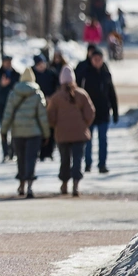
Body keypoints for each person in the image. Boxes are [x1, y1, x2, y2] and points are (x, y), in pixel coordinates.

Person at [1, 67, 50, 199]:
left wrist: (4, 131)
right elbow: (42, 116)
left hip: (17, 132)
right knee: (31, 159)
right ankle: (29, 186)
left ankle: (21, 184)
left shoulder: (13, 93)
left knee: (21, 158)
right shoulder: (37, 94)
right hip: (34, 133)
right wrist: (46, 134)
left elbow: (8, 114)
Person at [47, 66, 96, 197]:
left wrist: (55, 126)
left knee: (65, 159)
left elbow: (50, 116)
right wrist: (84, 124)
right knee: (78, 159)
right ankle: (76, 184)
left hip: (62, 134)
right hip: (79, 133)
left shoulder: (56, 97)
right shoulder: (82, 94)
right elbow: (90, 112)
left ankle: (64, 183)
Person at [77, 48, 118, 173]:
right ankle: (88, 163)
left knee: (103, 140)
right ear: (91, 60)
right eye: (95, 59)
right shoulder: (85, 73)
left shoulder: (106, 74)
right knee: (88, 140)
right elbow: (79, 92)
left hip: (103, 112)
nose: (98, 61)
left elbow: (112, 93)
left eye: (100, 59)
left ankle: (102, 164)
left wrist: (115, 111)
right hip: (88, 113)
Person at [0, 55, 20, 161]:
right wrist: (1, 85)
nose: (8, 64)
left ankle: (13, 151)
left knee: (14, 128)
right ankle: (5, 152)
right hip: (2, 104)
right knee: (3, 128)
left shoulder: (16, 75)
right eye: (6, 62)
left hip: (14, 105)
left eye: (9, 62)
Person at [32, 54, 58, 161]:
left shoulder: (51, 73)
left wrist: (51, 98)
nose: (41, 66)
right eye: (39, 64)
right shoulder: (33, 75)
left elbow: (57, 87)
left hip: (51, 104)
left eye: (42, 64)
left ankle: (50, 151)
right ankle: (41, 152)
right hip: (37, 106)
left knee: (51, 128)